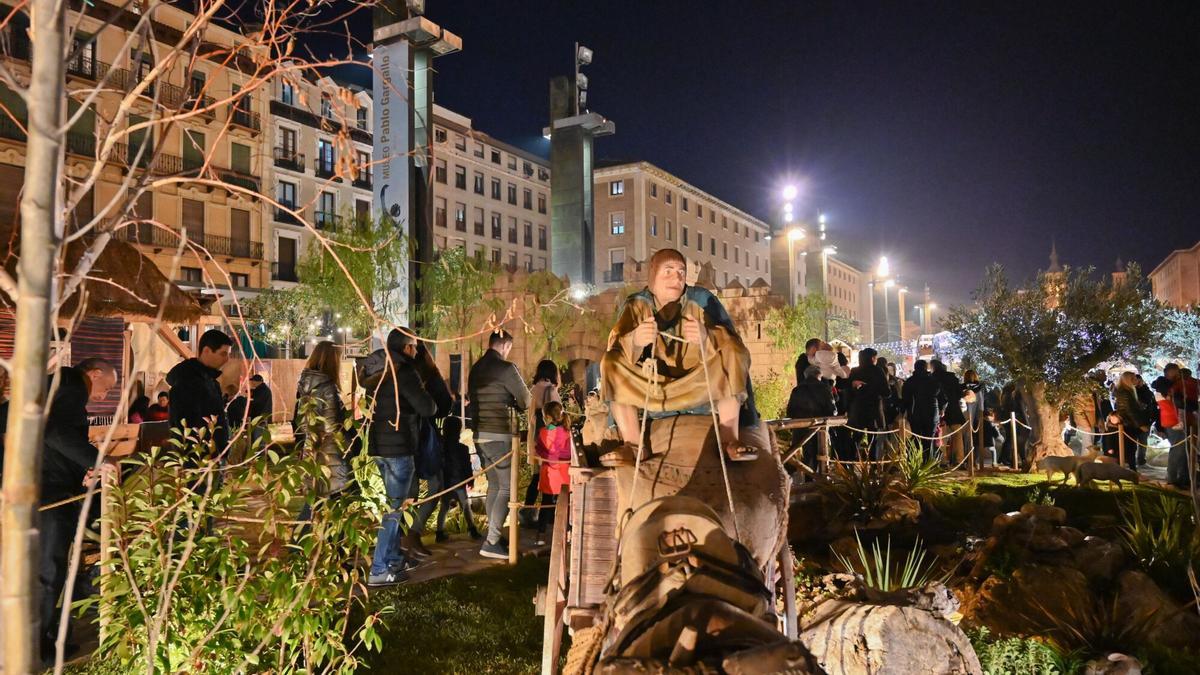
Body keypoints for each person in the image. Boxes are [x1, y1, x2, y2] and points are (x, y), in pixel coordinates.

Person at [601, 248, 760, 466]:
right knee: (610, 362)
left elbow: (736, 347)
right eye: (668, 271)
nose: (676, 277)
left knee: (732, 352)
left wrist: (707, 337)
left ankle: (729, 439)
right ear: (653, 274)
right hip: (652, 389)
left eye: (681, 272)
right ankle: (634, 444)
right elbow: (615, 350)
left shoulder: (701, 300)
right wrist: (635, 340)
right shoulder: (636, 305)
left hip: (699, 387)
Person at [38, 358, 118, 663]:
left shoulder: (55, 386)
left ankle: (41, 638)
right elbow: (54, 433)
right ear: (94, 374)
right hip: (49, 493)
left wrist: (80, 469)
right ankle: (38, 645)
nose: (104, 396)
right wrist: (99, 461)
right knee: (48, 571)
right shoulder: (72, 384)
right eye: (107, 387)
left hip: (43, 486)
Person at [358, 328, 436, 585]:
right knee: (393, 511)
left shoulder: (379, 373)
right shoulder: (404, 372)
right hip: (399, 446)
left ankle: (392, 558)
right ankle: (379, 569)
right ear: (405, 348)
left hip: (380, 445)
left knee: (394, 506)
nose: (416, 350)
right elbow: (427, 407)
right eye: (413, 346)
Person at [467, 329, 531, 559]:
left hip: (480, 434)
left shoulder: (475, 369)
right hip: (500, 433)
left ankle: (492, 536)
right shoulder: (507, 368)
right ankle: (492, 541)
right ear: (505, 346)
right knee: (505, 487)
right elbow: (526, 400)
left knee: (494, 486)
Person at [402, 341, 452, 558]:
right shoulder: (424, 375)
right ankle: (410, 535)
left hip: (406, 438)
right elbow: (443, 407)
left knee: (413, 491)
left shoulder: (398, 373)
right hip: (422, 438)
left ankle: (408, 537)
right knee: (434, 486)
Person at [294, 341, 353, 504]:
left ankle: (304, 529)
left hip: (311, 447)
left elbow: (301, 422)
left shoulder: (305, 385)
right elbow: (330, 425)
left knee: (316, 501)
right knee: (333, 501)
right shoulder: (328, 387)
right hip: (330, 452)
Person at [167, 328, 233, 455]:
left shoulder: (211, 382)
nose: (227, 360)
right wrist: (200, 457)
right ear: (207, 351)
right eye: (223, 354)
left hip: (213, 457)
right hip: (200, 459)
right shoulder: (187, 382)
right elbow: (186, 425)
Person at [434, 385, 482, 542]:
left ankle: (439, 532)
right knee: (465, 506)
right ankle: (472, 529)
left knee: (444, 507)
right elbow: (467, 465)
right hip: (460, 482)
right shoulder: (462, 448)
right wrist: (471, 480)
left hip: (446, 483)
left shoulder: (441, 447)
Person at [521, 360, 562, 527]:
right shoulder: (550, 390)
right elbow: (558, 416)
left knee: (536, 477)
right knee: (550, 479)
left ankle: (527, 513)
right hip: (549, 443)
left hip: (535, 441)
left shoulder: (532, 390)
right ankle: (549, 516)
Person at [534, 401, 572, 545]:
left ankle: (541, 535)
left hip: (550, 472)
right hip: (565, 472)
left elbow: (540, 449)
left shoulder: (544, 432)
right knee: (566, 503)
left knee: (546, 503)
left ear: (547, 416)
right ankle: (568, 532)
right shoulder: (568, 431)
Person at [786, 365, 836, 472]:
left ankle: (806, 480)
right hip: (818, 429)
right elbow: (832, 411)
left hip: (799, 428)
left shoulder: (797, 389)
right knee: (819, 456)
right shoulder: (824, 389)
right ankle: (817, 481)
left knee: (803, 455)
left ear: (805, 375)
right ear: (819, 375)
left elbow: (790, 411)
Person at [846, 348, 889, 459]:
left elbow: (848, 390)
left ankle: (851, 465)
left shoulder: (855, 371)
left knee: (856, 438)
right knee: (873, 440)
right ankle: (873, 468)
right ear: (872, 358)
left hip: (858, 409)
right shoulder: (878, 371)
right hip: (874, 409)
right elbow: (886, 392)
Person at [901, 360, 942, 458]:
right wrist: (942, 409)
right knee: (929, 439)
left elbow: (905, 399)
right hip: (932, 412)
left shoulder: (910, 381)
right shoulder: (933, 381)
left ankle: (917, 461)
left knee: (916, 438)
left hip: (915, 413)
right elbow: (942, 397)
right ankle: (929, 461)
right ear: (926, 368)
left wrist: (902, 411)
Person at [1110, 371, 1149, 471]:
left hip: (1129, 423)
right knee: (1129, 448)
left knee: (1130, 448)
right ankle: (1130, 469)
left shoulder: (1129, 391)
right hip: (1128, 424)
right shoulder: (1124, 392)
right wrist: (1140, 425)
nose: (1136, 380)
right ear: (1129, 380)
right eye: (1134, 378)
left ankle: (1130, 468)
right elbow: (1129, 410)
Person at [932, 360, 966, 466]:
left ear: (933, 367)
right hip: (954, 410)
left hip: (940, 411)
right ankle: (959, 460)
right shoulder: (952, 378)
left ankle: (942, 461)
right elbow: (959, 394)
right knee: (958, 437)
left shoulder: (933, 379)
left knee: (941, 437)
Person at [962, 369, 983, 467]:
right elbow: (981, 404)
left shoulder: (963, 388)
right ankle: (974, 460)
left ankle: (966, 459)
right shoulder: (979, 388)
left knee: (965, 438)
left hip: (964, 416)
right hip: (975, 417)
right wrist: (981, 416)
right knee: (975, 439)